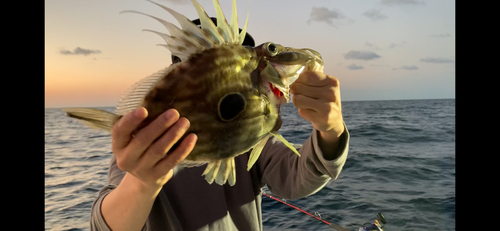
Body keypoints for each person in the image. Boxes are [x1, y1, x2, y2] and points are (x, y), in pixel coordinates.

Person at [90, 18, 350, 231]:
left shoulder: (253, 134)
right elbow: (105, 226)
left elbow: (297, 179)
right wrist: (143, 183)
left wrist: (331, 131)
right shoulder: (147, 146)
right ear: (178, 69)